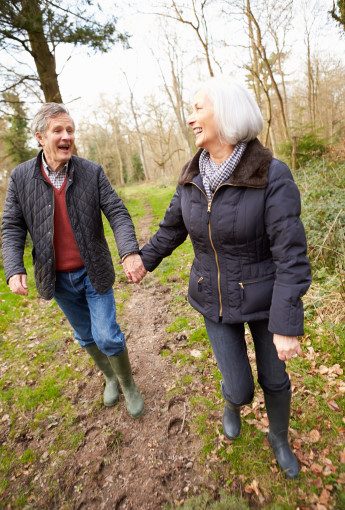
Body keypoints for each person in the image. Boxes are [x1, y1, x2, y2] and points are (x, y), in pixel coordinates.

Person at [139, 78, 311, 478]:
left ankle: (279, 439)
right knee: (240, 387)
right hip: (213, 298)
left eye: (198, 108)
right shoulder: (191, 176)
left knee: (274, 378)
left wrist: (286, 324)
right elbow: (170, 229)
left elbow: (291, 255)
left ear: (227, 113)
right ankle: (231, 402)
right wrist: (143, 261)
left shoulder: (272, 174)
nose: (190, 118)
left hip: (267, 299)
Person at [2, 103, 147, 418]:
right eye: (58, 130)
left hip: (93, 271)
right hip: (57, 279)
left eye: (70, 130)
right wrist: (14, 268)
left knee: (106, 335)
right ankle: (110, 377)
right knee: (84, 335)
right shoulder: (21, 178)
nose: (67, 136)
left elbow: (118, 212)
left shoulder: (91, 171)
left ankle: (129, 384)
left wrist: (129, 250)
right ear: (41, 137)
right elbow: (12, 226)